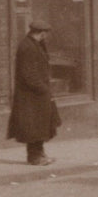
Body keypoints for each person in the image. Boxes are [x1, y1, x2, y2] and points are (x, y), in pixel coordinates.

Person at [8, 21, 60, 165]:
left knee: (40, 126)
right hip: (31, 96)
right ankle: (34, 157)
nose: (46, 36)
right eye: (45, 34)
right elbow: (28, 75)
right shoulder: (27, 47)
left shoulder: (35, 44)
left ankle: (40, 153)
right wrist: (44, 90)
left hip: (37, 94)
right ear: (41, 33)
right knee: (34, 127)